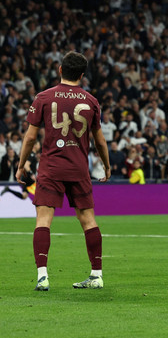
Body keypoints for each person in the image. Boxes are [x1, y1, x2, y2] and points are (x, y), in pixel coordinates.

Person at [15, 51, 111, 291]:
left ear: (60, 69)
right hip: (78, 167)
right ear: (82, 74)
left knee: (43, 220)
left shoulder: (44, 97)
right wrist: (107, 166)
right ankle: (97, 275)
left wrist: (20, 166)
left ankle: (42, 276)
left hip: (51, 167)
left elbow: (29, 138)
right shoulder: (91, 101)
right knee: (88, 220)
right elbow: (100, 141)